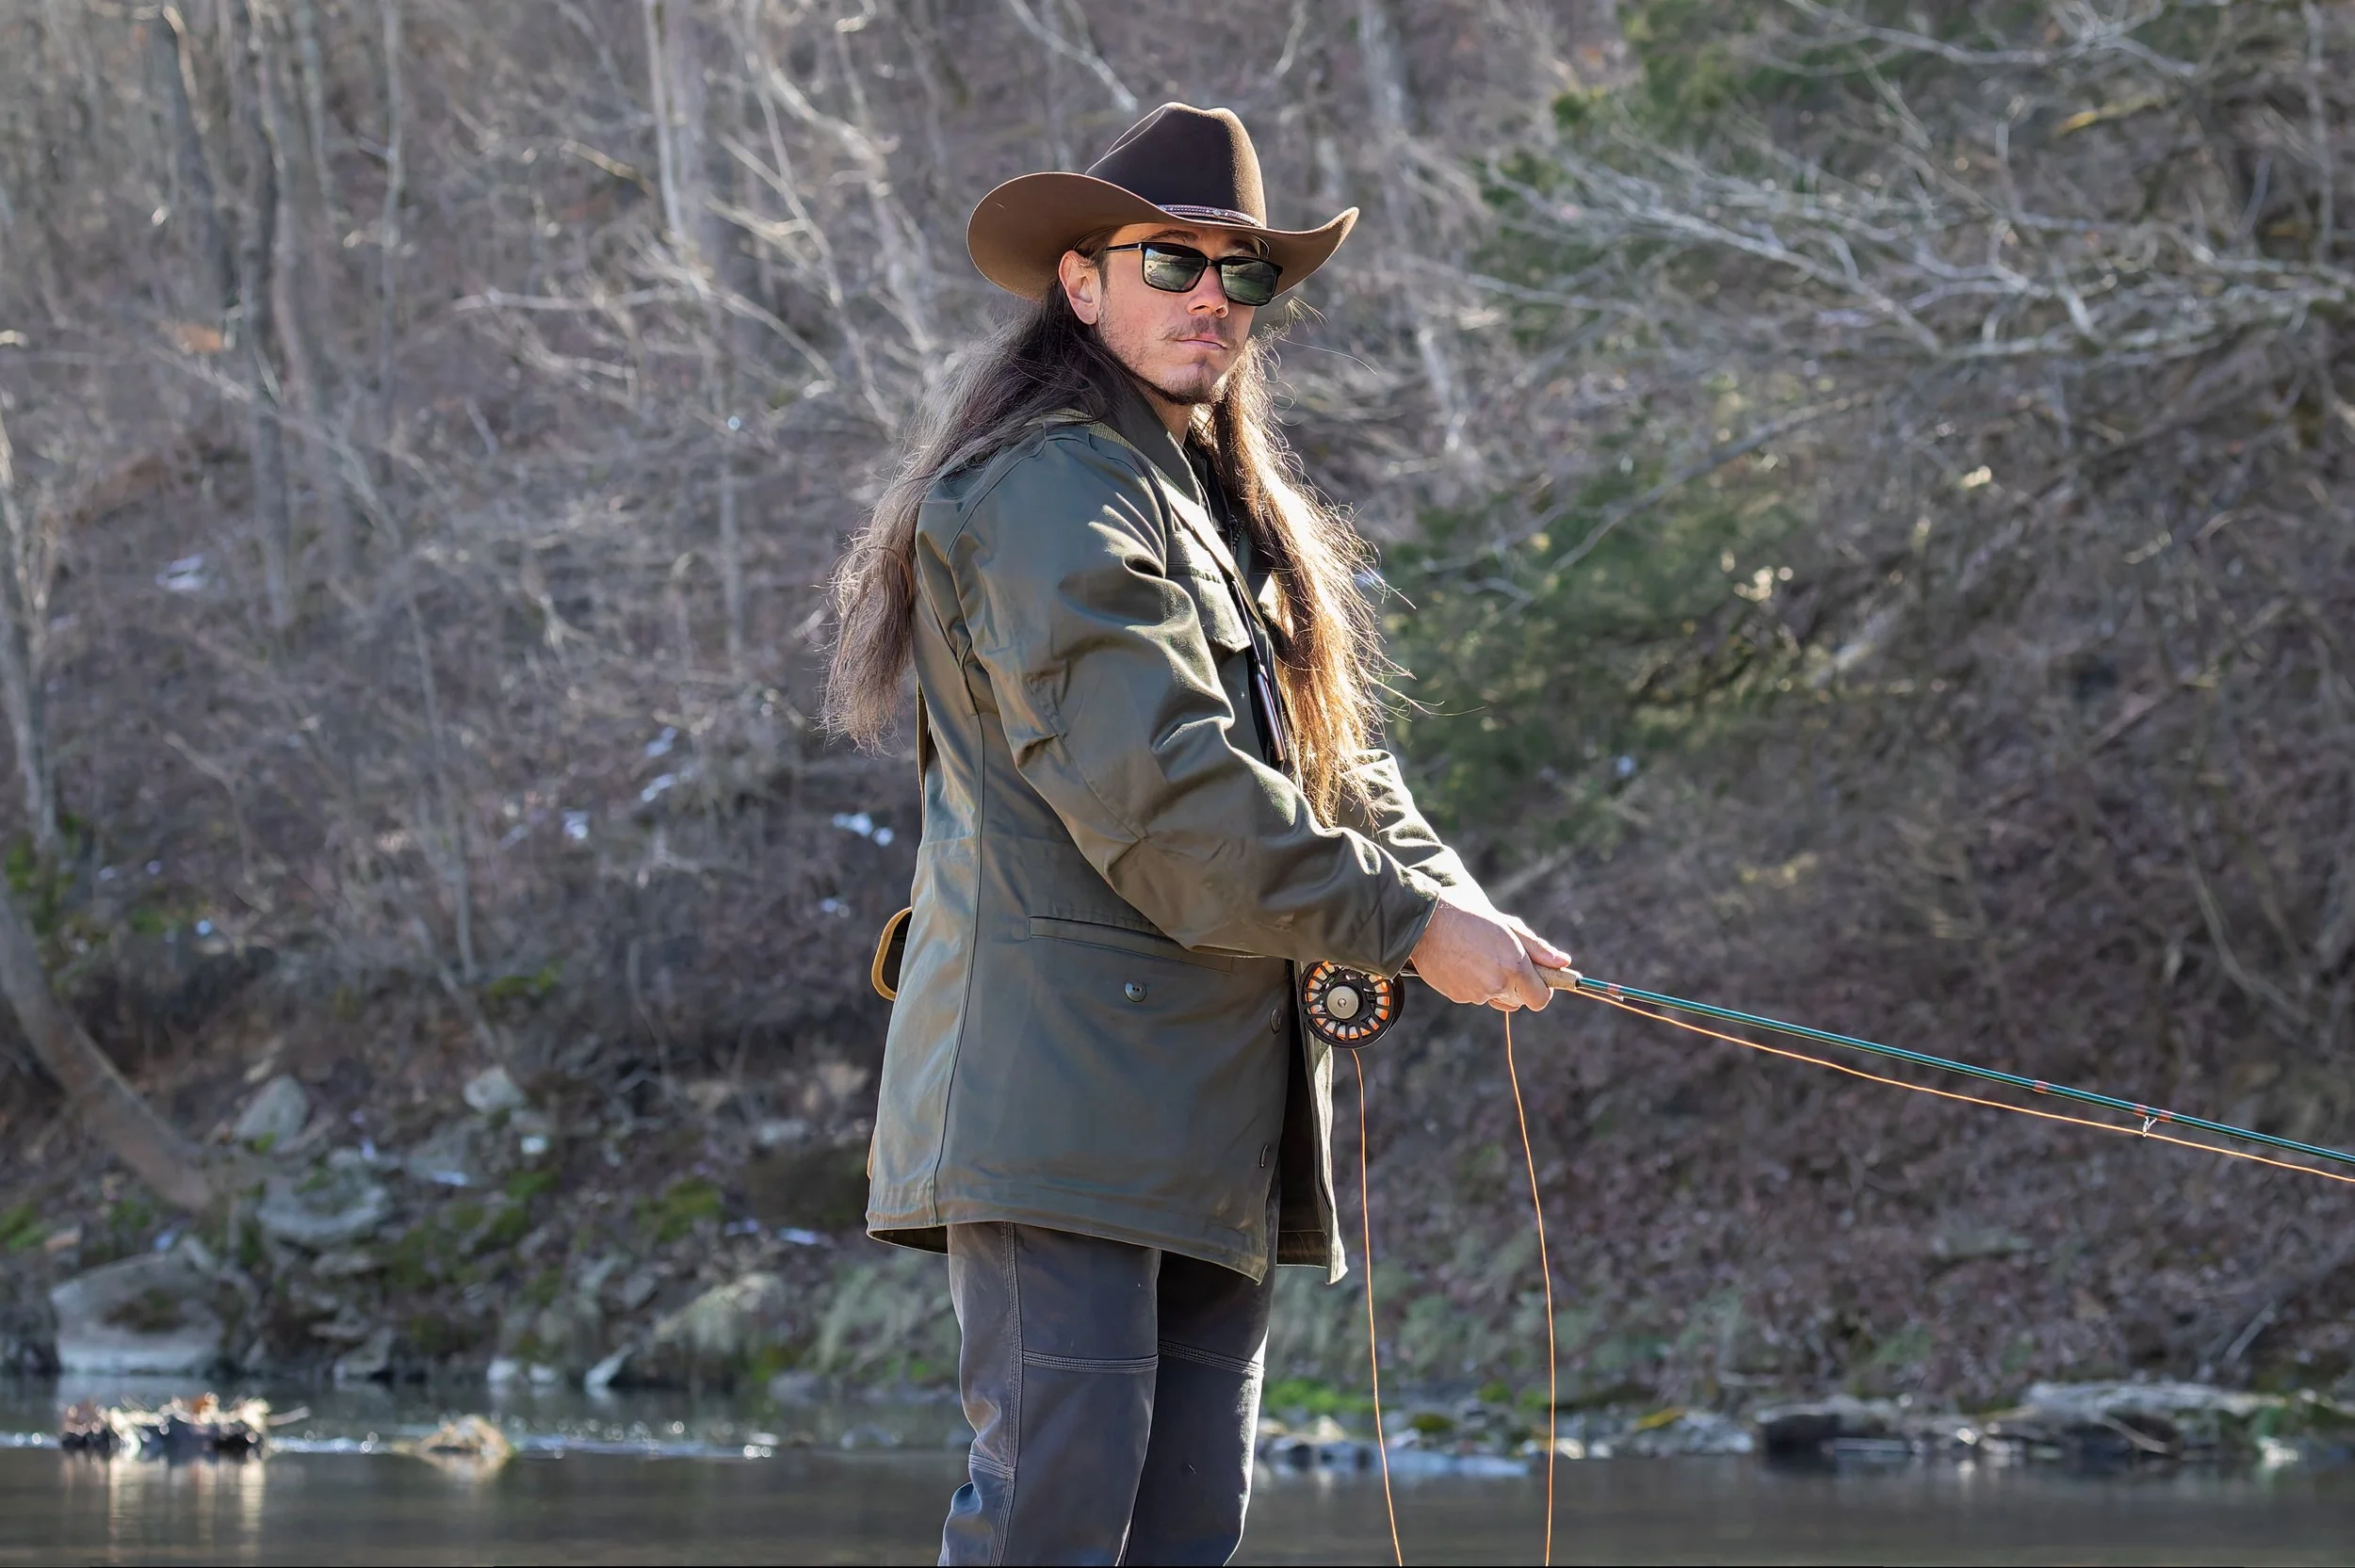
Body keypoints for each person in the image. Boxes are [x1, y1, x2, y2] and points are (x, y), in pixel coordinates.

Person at [824, 102, 1571, 1567]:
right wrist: (1407, 927)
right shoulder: (1046, 492)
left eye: (1247, 277)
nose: (1214, 301)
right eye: (1174, 263)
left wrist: (1456, 904)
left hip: (1207, 1126)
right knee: (1055, 1520)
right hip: (1059, 1109)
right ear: (1081, 282)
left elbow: (1341, 768)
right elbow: (1165, 796)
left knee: (1181, 1533)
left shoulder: (1223, 509)